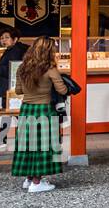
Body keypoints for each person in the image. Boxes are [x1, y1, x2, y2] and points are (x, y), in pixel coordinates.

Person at [11, 36, 67, 193]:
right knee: (43, 146)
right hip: (44, 110)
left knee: (27, 145)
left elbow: (18, 91)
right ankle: (37, 183)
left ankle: (28, 179)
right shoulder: (50, 69)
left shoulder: (22, 68)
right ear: (49, 51)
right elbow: (62, 90)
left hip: (26, 109)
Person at [0, 28, 28, 145]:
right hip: (9, 88)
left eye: (7, 37)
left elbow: (12, 69)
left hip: (8, 89)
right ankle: (3, 138)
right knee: (10, 113)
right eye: (2, 38)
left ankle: (4, 138)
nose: (3, 40)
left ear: (15, 39)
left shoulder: (14, 51)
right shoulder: (12, 50)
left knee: (11, 113)